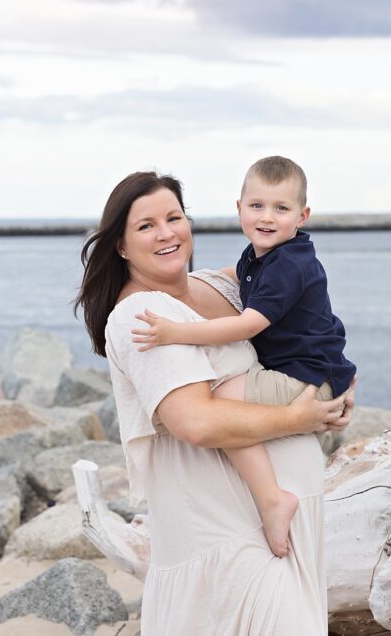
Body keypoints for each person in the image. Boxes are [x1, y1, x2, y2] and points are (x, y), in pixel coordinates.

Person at [75, 170, 354, 635]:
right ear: (121, 246)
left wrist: (341, 380)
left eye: (174, 217)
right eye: (146, 226)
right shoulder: (140, 317)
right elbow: (196, 421)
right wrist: (294, 418)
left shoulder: (223, 286)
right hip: (223, 535)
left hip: (283, 525)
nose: (166, 233)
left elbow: (310, 317)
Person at [130, 156, 356, 558]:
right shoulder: (260, 256)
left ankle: (271, 498)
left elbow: (248, 325)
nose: (267, 217)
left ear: (302, 216)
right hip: (312, 370)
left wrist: (177, 333)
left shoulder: (288, 264)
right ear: (239, 209)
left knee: (221, 401)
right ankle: (268, 496)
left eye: (281, 208)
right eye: (257, 206)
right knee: (227, 398)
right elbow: (236, 278)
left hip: (304, 377)